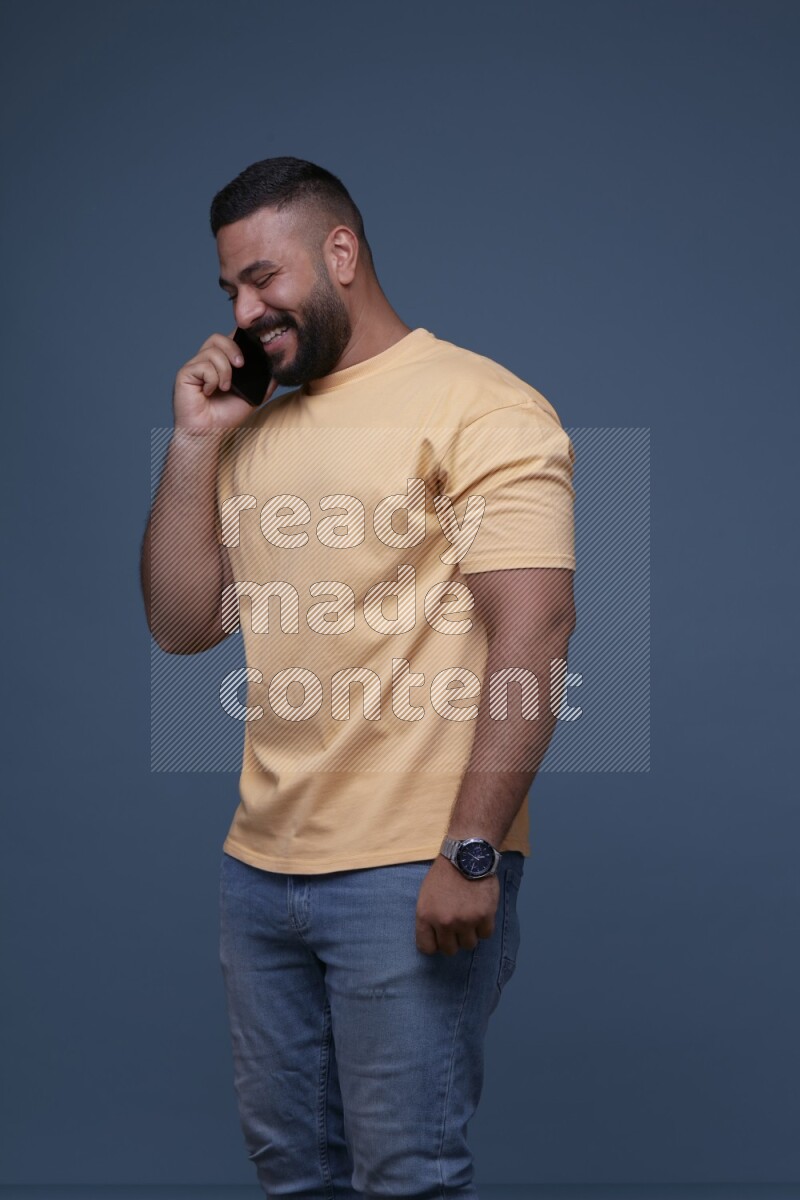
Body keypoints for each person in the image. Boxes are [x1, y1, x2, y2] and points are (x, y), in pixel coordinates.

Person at [140, 156, 576, 1199]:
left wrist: (471, 850)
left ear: (340, 253)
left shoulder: (482, 404)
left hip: (410, 864)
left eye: (263, 279)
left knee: (405, 1177)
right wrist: (195, 444)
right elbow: (181, 624)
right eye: (230, 291)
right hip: (260, 869)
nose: (244, 315)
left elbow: (534, 634)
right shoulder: (254, 429)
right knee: (294, 1174)